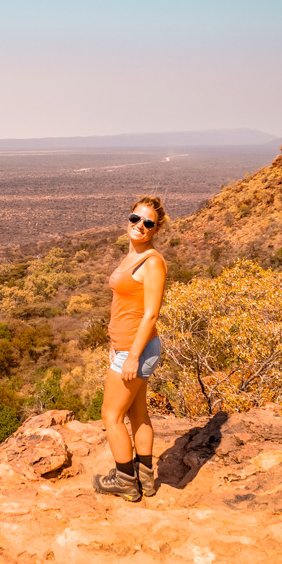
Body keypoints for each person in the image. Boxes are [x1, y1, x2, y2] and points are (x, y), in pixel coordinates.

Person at [93, 196, 168, 501]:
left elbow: (151, 314)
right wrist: (115, 345)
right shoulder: (132, 255)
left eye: (148, 223)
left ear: (156, 228)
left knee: (110, 415)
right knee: (138, 411)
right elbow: (124, 304)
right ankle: (146, 480)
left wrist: (131, 357)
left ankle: (125, 480)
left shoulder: (152, 262)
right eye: (135, 219)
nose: (140, 226)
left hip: (136, 349)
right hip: (126, 347)